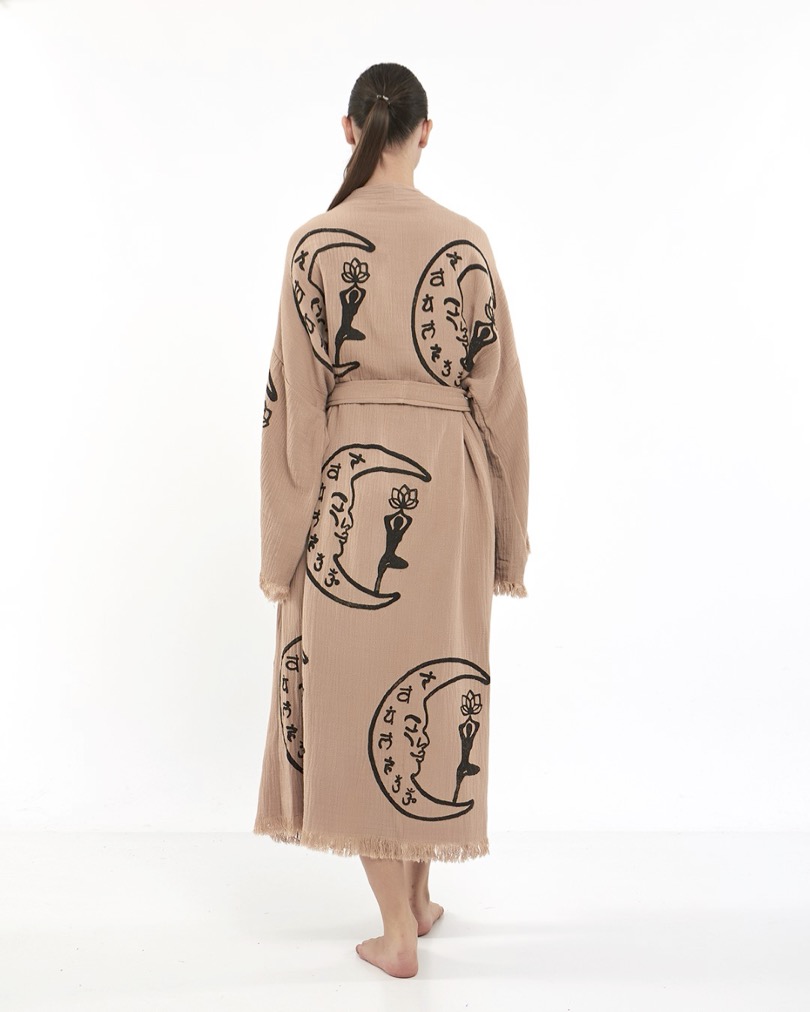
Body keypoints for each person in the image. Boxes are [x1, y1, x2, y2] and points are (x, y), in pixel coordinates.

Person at [253, 62, 531, 978]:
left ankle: (398, 927)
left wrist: (283, 545)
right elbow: (504, 404)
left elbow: (293, 407)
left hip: (350, 489)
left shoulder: (314, 243)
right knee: (433, 677)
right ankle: (413, 899)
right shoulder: (466, 241)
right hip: (451, 487)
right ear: (426, 131)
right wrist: (509, 538)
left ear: (349, 130)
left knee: (359, 685)